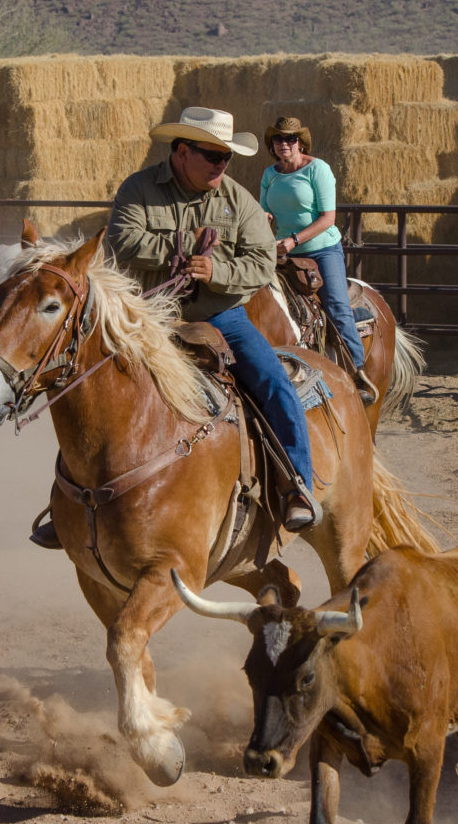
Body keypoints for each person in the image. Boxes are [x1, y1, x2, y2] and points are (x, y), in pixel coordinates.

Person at [28, 106, 319, 551]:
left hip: (219, 316)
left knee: (273, 381)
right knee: (92, 391)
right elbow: (124, 241)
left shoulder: (238, 200)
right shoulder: (139, 189)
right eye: (212, 155)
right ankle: (66, 499)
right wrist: (179, 251)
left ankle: (296, 483)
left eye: (227, 158)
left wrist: (214, 269)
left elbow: (261, 262)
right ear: (182, 152)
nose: (221, 165)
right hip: (147, 315)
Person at [259, 116, 377, 405]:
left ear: (300, 143)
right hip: (284, 252)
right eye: (279, 139)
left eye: (290, 139)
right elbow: (265, 211)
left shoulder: (317, 169)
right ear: (272, 144)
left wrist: (295, 239)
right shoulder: (269, 175)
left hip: (320, 250)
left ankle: (357, 372)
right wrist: (261, 223)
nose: (284, 144)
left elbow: (328, 218)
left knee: (336, 305)